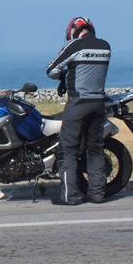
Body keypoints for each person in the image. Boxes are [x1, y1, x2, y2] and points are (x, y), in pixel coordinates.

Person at [46, 17, 111, 205]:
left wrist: (64, 75)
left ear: (72, 31)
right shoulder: (105, 46)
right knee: (96, 148)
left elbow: (51, 70)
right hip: (98, 103)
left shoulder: (75, 45)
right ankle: (97, 195)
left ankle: (69, 196)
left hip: (78, 103)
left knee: (68, 149)